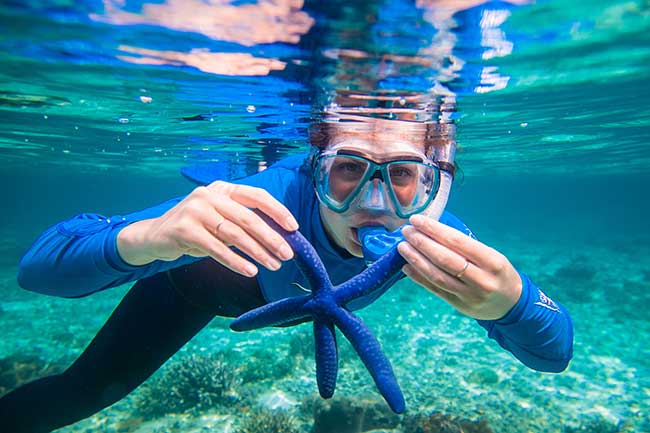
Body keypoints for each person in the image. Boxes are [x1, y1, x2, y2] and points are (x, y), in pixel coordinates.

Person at [0, 107, 573, 432]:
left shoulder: (432, 240)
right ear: (314, 169)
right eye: (348, 168)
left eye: (402, 175)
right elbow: (37, 270)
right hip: (192, 290)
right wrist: (148, 239)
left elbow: (555, 353)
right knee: (87, 390)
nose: (375, 203)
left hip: (291, 304)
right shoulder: (260, 198)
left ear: (434, 184)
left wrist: (514, 306)